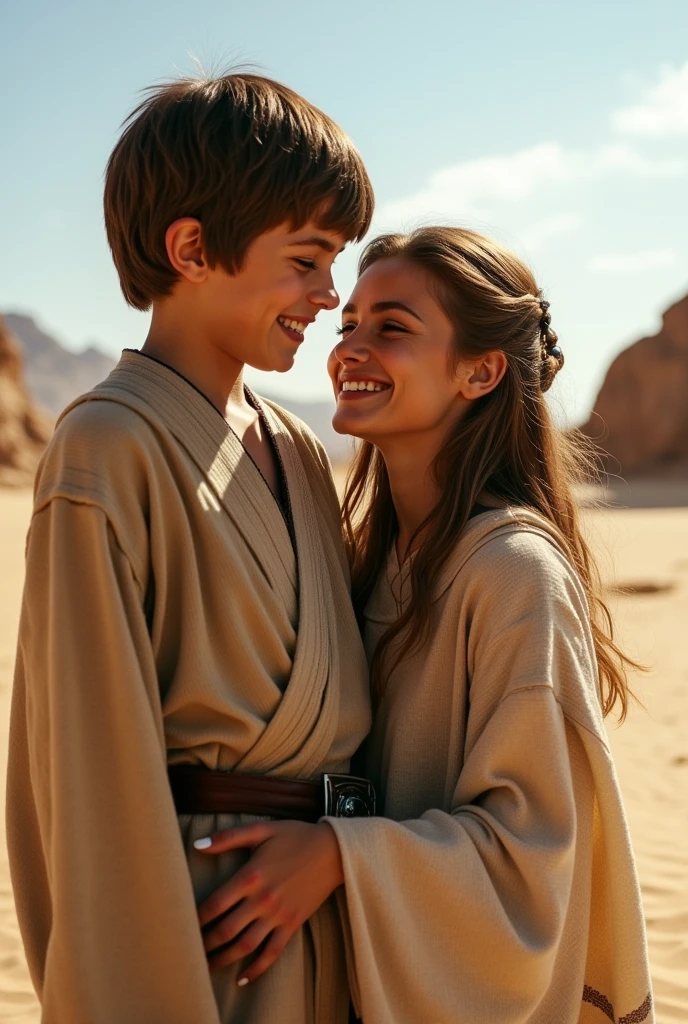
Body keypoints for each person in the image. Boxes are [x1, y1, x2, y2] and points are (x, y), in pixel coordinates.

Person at [193, 227, 654, 1023]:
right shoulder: (366, 554)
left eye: (392, 329)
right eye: (348, 327)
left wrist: (341, 856)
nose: (350, 351)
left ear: (480, 371)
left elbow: (532, 854)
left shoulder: (513, 573)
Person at [6, 72, 375, 1024]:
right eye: (306, 259)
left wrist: (342, 856)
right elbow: (90, 779)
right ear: (192, 247)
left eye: (336, 262)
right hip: (198, 928)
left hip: (329, 917)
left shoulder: (297, 448)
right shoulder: (104, 447)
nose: (328, 294)